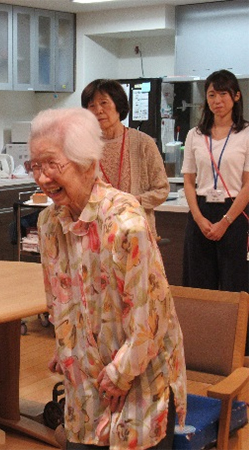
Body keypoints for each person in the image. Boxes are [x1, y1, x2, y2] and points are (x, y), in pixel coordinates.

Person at [27, 107, 186, 449]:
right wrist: (65, 345)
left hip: (138, 379)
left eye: (52, 165)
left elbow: (150, 317)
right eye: (35, 166)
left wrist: (120, 373)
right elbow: (59, 299)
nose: (42, 178)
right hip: (85, 383)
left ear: (86, 161)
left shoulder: (126, 222)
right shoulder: (48, 224)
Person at [181, 69, 249, 295]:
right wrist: (199, 219)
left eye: (223, 94)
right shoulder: (195, 134)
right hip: (201, 213)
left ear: (236, 96)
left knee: (235, 287)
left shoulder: (246, 133)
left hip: (235, 213)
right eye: (211, 95)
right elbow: (188, 180)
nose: (217, 100)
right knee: (199, 288)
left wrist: (226, 221)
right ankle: (202, 332)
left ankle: (237, 332)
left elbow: (248, 184)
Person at [81, 79, 169, 239]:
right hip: (97, 234)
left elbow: (162, 189)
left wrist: (132, 201)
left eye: (104, 103)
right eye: (92, 105)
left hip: (137, 232)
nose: (98, 110)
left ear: (118, 105)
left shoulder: (143, 142)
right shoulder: (84, 146)